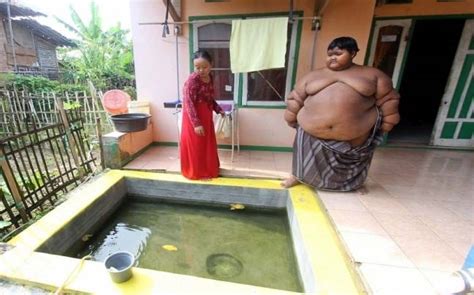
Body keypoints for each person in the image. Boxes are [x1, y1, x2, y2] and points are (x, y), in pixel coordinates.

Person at [281, 36, 400, 191]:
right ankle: (297, 176)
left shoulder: (373, 75)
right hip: (311, 132)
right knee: (302, 158)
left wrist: (388, 122)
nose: (332, 57)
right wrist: (290, 116)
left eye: (338, 53)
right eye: (330, 54)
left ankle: (355, 184)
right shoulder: (312, 76)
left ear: (353, 53)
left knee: (356, 161)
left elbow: (389, 99)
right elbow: (295, 98)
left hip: (356, 134)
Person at [180, 50, 225, 180]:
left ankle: (208, 169)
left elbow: (209, 97)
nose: (201, 70)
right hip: (193, 116)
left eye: (204, 67)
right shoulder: (192, 80)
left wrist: (218, 109)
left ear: (211, 64)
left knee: (206, 143)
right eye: (197, 67)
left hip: (206, 114)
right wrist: (196, 123)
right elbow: (188, 102)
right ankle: (197, 172)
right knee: (196, 144)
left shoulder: (210, 77)